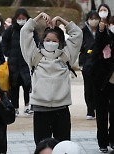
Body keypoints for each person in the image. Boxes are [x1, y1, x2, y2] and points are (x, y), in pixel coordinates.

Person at [20, 12, 83, 144]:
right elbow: (25, 32)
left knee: (63, 146)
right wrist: (39, 17)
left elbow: (77, 34)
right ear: (42, 41)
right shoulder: (34, 56)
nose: (51, 43)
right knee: (42, 147)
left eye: (54, 41)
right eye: (48, 40)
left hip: (62, 109)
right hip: (40, 110)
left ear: (60, 42)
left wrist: (60, 19)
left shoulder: (66, 56)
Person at [2, 8, 39, 116]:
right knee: (14, 87)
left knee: (27, 85)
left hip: (26, 62)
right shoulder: (11, 30)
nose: (21, 20)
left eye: (23, 18)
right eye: (19, 18)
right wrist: (8, 53)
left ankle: (28, 106)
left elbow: (37, 42)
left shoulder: (31, 30)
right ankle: (15, 107)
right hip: (13, 63)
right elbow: (4, 41)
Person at [91, 14, 114, 153]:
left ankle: (112, 139)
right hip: (101, 81)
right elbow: (100, 41)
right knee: (101, 113)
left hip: (112, 80)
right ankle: (103, 142)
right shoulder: (105, 36)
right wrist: (101, 30)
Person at [79, 10, 100, 120]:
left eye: (96, 18)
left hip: (100, 64)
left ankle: (98, 107)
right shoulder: (83, 32)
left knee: (99, 88)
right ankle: (90, 110)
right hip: (87, 64)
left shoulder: (102, 31)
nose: (94, 21)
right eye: (92, 18)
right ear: (87, 20)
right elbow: (81, 48)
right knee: (88, 88)